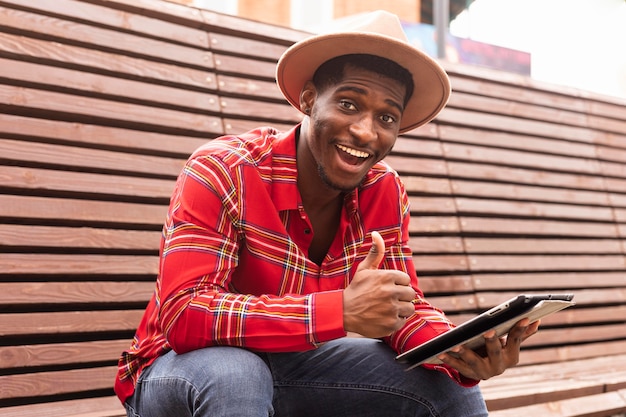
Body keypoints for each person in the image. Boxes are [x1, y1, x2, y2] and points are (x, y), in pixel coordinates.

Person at [115, 10, 539, 417]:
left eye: (386, 116)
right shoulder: (224, 170)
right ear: (308, 100)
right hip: (178, 375)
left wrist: (458, 352)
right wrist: (338, 311)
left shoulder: (383, 191)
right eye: (350, 104)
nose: (365, 131)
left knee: (443, 384)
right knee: (235, 374)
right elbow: (185, 315)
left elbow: (400, 310)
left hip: (293, 370)